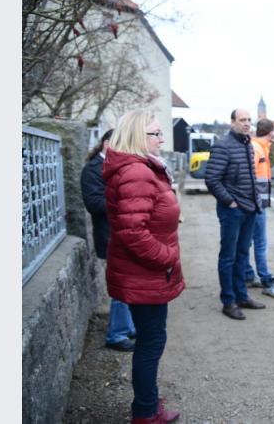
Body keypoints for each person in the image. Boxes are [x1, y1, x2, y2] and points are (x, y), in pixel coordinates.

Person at [102, 110, 184, 423]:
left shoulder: (140, 169)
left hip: (143, 273)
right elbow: (132, 233)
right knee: (151, 342)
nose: (163, 139)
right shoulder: (137, 172)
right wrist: (167, 256)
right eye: (156, 133)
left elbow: (140, 220)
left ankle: (147, 402)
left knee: (150, 339)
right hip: (146, 273)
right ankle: (146, 412)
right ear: (139, 136)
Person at [205, 108, 267, 321]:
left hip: (249, 209)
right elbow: (212, 179)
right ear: (232, 122)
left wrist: (255, 201)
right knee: (228, 257)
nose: (247, 123)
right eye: (242, 120)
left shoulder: (248, 144)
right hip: (232, 211)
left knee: (242, 255)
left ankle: (242, 296)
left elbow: (250, 177)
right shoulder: (223, 146)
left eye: (249, 120)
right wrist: (230, 202)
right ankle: (228, 301)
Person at [81, 129, 137, 352]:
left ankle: (128, 326)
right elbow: (94, 204)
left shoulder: (119, 167)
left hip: (124, 234)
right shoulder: (92, 169)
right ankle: (117, 334)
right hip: (109, 236)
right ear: (106, 144)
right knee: (121, 287)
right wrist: (124, 201)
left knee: (129, 283)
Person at [242, 119, 274, 298]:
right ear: (271, 133)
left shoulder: (257, 146)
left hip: (253, 202)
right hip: (255, 204)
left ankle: (247, 275)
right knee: (260, 242)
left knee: (248, 242)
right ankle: (267, 280)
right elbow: (249, 176)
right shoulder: (257, 148)